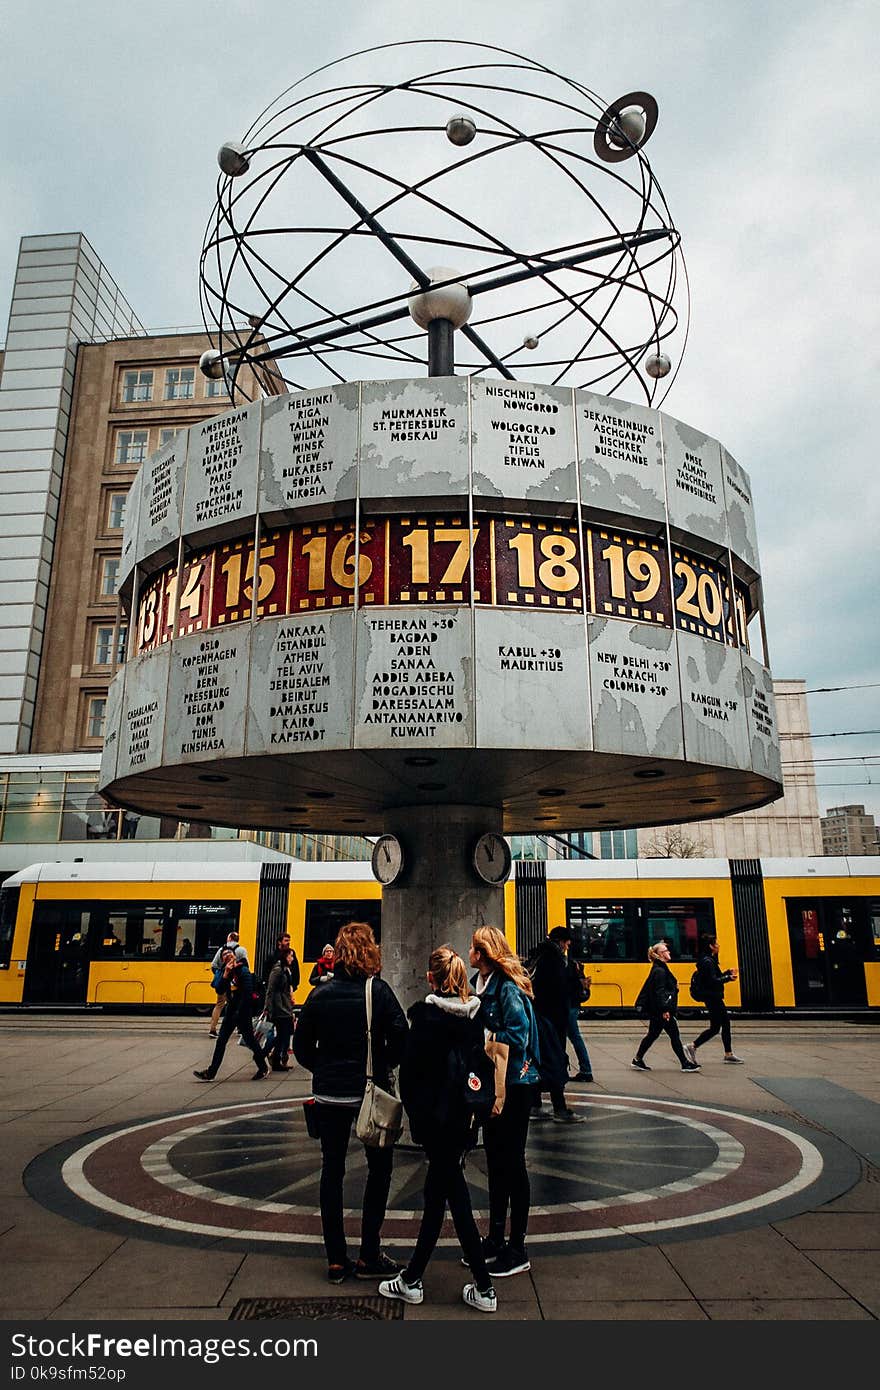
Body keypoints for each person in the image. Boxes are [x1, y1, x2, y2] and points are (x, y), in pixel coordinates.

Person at [379, 946, 497, 1314]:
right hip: (464, 1119)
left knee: (455, 1199)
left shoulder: (426, 1019)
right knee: (439, 1196)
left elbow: (412, 1078)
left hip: (436, 1123)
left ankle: (483, 1286)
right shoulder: (474, 1017)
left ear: (431, 978)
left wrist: (418, 1118)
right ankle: (413, 1279)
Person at [292, 920, 408, 1285]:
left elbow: (301, 1048)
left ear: (337, 953)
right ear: (370, 950)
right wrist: (380, 1064)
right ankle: (369, 1253)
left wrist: (324, 1069)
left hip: (328, 1095)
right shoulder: (380, 992)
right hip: (367, 1095)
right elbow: (402, 1040)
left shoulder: (319, 994)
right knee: (379, 1170)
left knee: (332, 1171)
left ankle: (336, 1259)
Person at [468, 925, 540, 1279]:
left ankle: (518, 1246)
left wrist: (485, 1036)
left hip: (514, 1084)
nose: (469, 953)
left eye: (473, 947)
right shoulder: (478, 985)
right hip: (492, 1084)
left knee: (512, 1162)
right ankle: (496, 1238)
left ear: (483, 953)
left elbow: (519, 1035)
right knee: (496, 1161)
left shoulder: (507, 988)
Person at [529, 927, 584, 1122]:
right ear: (561, 941)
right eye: (567, 942)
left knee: (540, 1061)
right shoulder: (555, 960)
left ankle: (535, 1104)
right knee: (556, 1061)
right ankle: (559, 1108)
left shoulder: (539, 955)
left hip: (540, 1019)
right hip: (552, 1021)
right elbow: (560, 991)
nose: (569, 945)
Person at [194, 947, 268, 1081]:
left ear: (235, 956)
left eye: (229, 953)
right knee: (221, 1041)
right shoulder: (225, 972)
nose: (227, 955)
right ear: (222, 960)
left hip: (243, 1012)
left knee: (250, 1040)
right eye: (224, 955)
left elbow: (247, 994)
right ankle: (211, 1072)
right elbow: (219, 990)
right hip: (231, 1011)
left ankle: (263, 1067)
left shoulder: (243, 971)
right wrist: (225, 974)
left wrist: (241, 1012)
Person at [632, 941, 701, 1073]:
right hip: (662, 1010)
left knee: (653, 1035)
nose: (669, 952)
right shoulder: (660, 971)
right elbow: (659, 991)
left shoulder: (660, 968)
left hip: (659, 1009)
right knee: (674, 1036)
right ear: (660, 954)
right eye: (666, 951)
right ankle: (685, 1063)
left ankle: (637, 1059)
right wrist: (665, 1010)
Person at [685, 935, 743, 1065]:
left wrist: (727, 973)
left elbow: (713, 978)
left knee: (716, 1027)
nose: (718, 946)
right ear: (711, 946)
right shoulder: (708, 961)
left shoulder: (708, 960)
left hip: (711, 996)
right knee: (723, 1024)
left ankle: (725, 1053)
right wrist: (728, 978)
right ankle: (694, 1046)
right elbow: (712, 981)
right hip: (712, 997)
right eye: (716, 943)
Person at [562, 939, 595, 1083]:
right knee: (574, 1037)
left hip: (569, 1006)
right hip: (573, 1005)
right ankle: (585, 1069)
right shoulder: (573, 964)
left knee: (573, 1037)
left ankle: (586, 1070)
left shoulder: (567, 964)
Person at [264, 946, 297, 1072]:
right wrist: (268, 1008)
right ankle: (263, 1054)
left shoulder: (285, 969)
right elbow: (270, 990)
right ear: (285, 957)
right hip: (279, 1007)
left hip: (285, 1006)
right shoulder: (277, 970)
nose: (292, 959)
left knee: (284, 1034)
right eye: (291, 956)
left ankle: (275, 1059)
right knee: (282, 1034)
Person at [208, 931, 243, 1037]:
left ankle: (212, 1030)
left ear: (229, 938)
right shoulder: (241, 950)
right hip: (235, 983)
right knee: (236, 1005)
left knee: (219, 1004)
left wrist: (221, 974)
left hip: (224, 981)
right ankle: (240, 1029)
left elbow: (214, 965)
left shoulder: (221, 950)